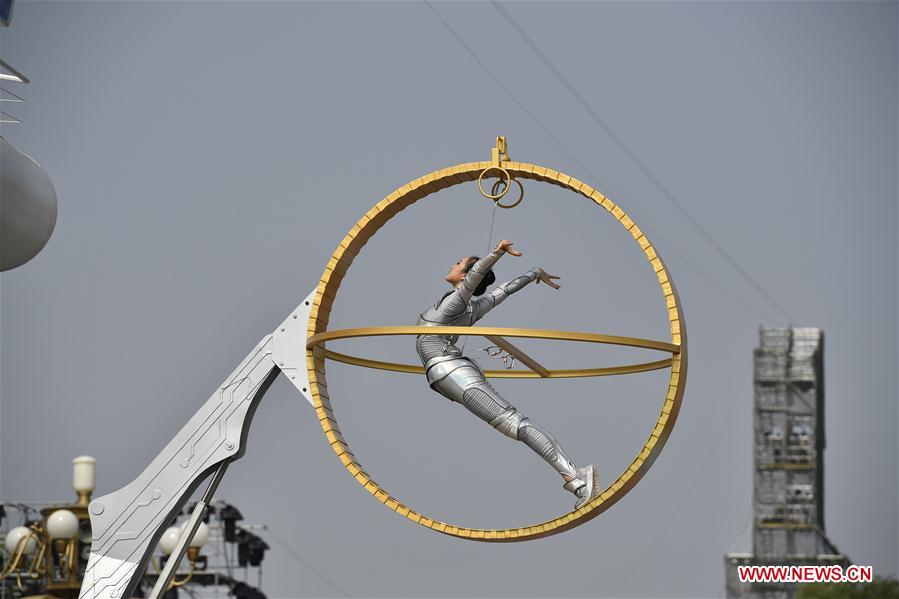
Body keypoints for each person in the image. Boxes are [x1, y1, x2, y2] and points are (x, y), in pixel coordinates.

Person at [415, 238, 601, 509]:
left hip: (451, 371)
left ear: (466, 275)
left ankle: (577, 479)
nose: (452, 264)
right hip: (445, 374)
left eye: (458, 263)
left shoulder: (458, 303)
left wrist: (497, 254)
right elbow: (504, 291)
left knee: (514, 423)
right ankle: (575, 478)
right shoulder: (470, 307)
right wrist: (534, 272)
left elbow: (478, 278)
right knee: (512, 424)